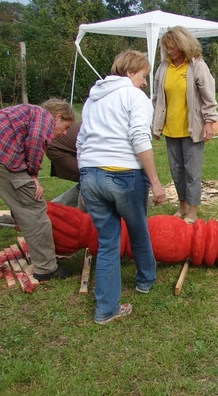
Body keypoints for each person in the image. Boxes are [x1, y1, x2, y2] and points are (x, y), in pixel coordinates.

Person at [77, 50, 167, 325]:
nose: (143, 83)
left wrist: (86, 172)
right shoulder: (134, 96)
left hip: (89, 174)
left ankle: (106, 310)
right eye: (142, 76)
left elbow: (81, 141)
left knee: (107, 242)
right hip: (123, 174)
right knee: (138, 229)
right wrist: (155, 181)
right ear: (130, 72)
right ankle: (146, 280)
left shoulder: (93, 99)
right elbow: (139, 136)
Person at [0, 99, 75, 280]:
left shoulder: (21, 112)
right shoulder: (43, 115)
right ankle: (46, 268)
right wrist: (32, 175)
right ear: (57, 117)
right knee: (33, 209)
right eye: (65, 126)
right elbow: (36, 140)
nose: (65, 132)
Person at [152, 26, 218, 224]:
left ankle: (192, 210)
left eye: (172, 47)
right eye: (166, 48)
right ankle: (181, 206)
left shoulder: (197, 65)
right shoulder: (164, 67)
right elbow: (157, 98)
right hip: (171, 129)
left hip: (192, 130)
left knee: (192, 172)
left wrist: (209, 122)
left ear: (183, 45)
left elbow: (209, 96)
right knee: (176, 171)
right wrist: (156, 125)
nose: (169, 51)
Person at [46, 120, 86, 211]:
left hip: (71, 148)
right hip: (58, 148)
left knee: (90, 181)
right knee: (88, 180)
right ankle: (83, 217)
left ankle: (49, 210)